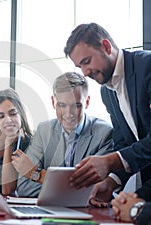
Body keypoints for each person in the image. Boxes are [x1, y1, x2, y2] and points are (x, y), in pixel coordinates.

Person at [64, 22, 151, 207]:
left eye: (86, 61)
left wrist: (110, 161)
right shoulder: (107, 92)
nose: (85, 73)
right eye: (80, 67)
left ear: (106, 46)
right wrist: (111, 182)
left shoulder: (148, 66)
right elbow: (124, 143)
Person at [11, 72, 114, 197]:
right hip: (48, 211)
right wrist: (71, 192)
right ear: (53, 102)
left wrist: (36, 175)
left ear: (87, 102)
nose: (68, 113)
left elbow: (96, 190)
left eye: (76, 105)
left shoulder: (104, 133)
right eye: (62, 105)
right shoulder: (44, 131)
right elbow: (24, 187)